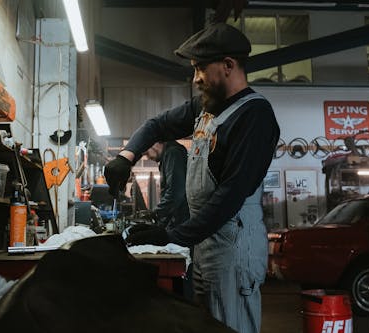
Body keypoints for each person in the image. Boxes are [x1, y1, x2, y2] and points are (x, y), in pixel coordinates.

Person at [105, 22, 280, 333]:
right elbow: (156, 125)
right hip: (206, 241)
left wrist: (172, 235)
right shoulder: (206, 108)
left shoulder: (254, 117)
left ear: (228, 66)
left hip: (233, 244)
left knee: (230, 326)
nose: (195, 78)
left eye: (200, 68)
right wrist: (125, 158)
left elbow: (230, 195)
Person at [142, 141, 190, 231]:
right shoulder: (168, 156)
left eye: (147, 153)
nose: (148, 157)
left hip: (182, 220)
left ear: (155, 143)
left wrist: (156, 213)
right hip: (178, 219)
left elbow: (175, 193)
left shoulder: (173, 153)